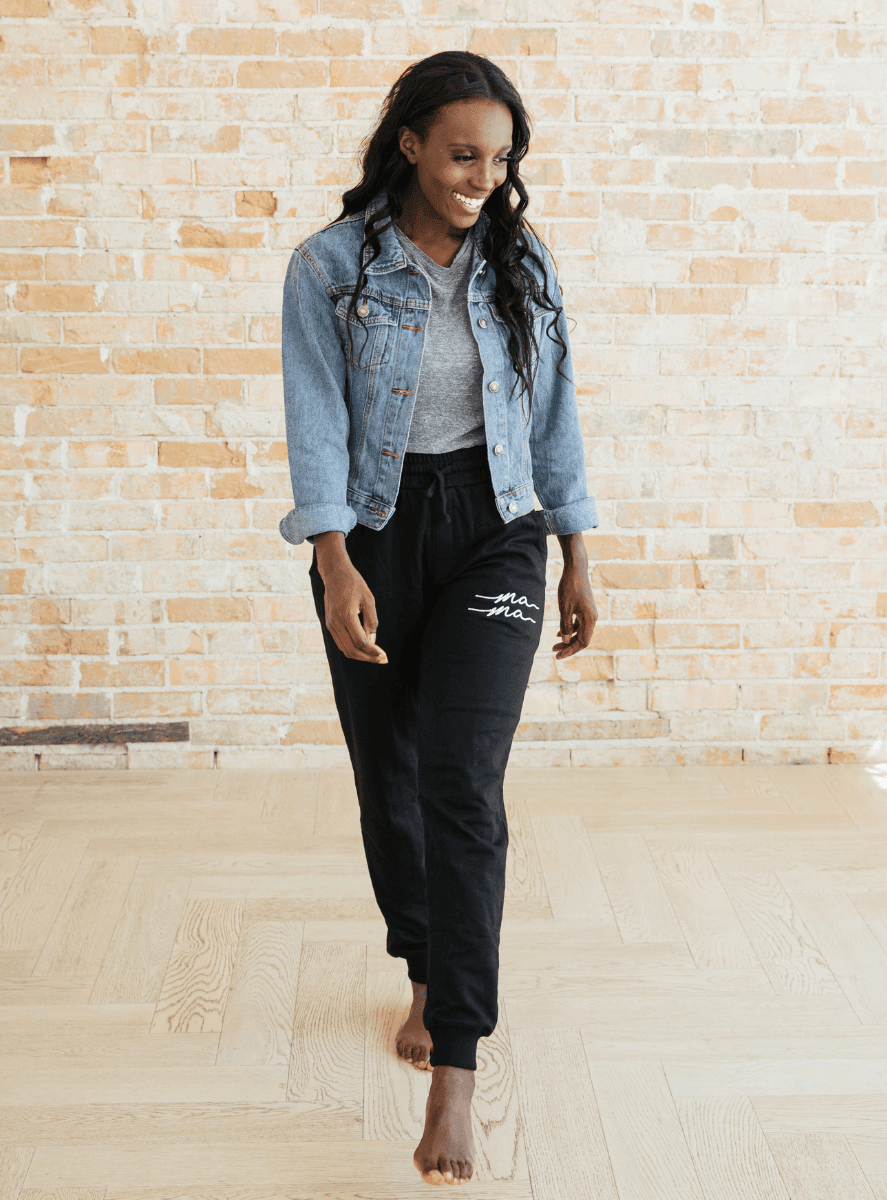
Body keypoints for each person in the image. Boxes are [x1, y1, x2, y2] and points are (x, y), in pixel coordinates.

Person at [279, 50, 598, 1187]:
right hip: (371, 528)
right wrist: (331, 562)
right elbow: (313, 421)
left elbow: (556, 414)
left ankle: (456, 1057)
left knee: (463, 782)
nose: (482, 176)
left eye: (500, 157)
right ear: (409, 142)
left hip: (496, 529)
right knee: (390, 772)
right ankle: (418, 955)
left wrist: (576, 552)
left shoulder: (524, 264)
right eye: (462, 152)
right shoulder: (329, 267)